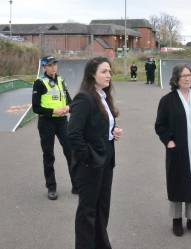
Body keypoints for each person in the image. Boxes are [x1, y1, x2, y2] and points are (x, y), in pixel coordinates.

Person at [67, 57, 123, 248]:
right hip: (90, 163)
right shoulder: (84, 98)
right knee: (87, 211)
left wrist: (112, 132)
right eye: (104, 72)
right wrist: (88, 158)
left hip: (106, 160)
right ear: (92, 74)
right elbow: (73, 134)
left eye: (109, 71)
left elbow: (98, 126)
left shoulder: (103, 96)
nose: (109, 75)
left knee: (102, 208)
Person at [155, 64, 191, 237]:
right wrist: (169, 141)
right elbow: (160, 125)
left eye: (189, 75)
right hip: (178, 150)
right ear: (176, 79)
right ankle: (176, 219)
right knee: (177, 183)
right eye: (184, 75)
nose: (187, 78)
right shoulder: (168, 100)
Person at [32, 55, 77, 200]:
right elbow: (36, 108)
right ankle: (51, 187)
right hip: (46, 123)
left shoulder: (61, 79)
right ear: (44, 67)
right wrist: (53, 111)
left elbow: (69, 99)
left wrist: (68, 107)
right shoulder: (39, 83)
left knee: (70, 151)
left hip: (63, 121)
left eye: (55, 64)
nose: (53, 67)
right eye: (50, 65)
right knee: (49, 154)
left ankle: (76, 184)